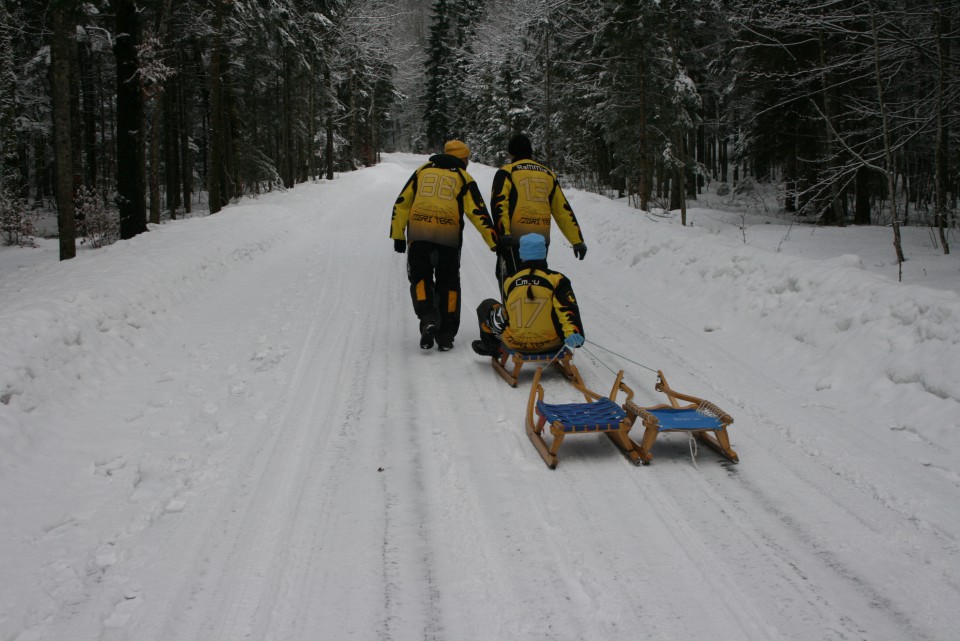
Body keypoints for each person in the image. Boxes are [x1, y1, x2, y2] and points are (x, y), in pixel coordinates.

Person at [391, 140, 498, 351]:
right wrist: (494, 242)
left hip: (419, 235)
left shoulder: (422, 171)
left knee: (420, 279)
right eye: (467, 158)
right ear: (461, 158)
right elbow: (478, 212)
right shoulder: (463, 177)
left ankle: (428, 317)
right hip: (448, 239)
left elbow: (402, 201)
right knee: (448, 284)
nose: (468, 162)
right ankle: (446, 336)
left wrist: (398, 234)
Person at [490, 133, 587, 289]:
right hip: (540, 240)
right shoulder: (548, 174)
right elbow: (562, 209)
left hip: (513, 240)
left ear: (511, 153)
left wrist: (504, 232)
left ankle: (512, 313)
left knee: (511, 283)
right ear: (530, 152)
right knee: (537, 282)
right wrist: (577, 241)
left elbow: (499, 204)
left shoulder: (507, 172)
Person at [472, 233, 584, 357]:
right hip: (552, 343)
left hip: (515, 342)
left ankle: (494, 348)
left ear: (521, 254)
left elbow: (507, 312)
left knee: (486, 305)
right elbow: (567, 310)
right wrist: (573, 334)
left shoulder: (510, 280)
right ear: (543, 252)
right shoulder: (557, 280)